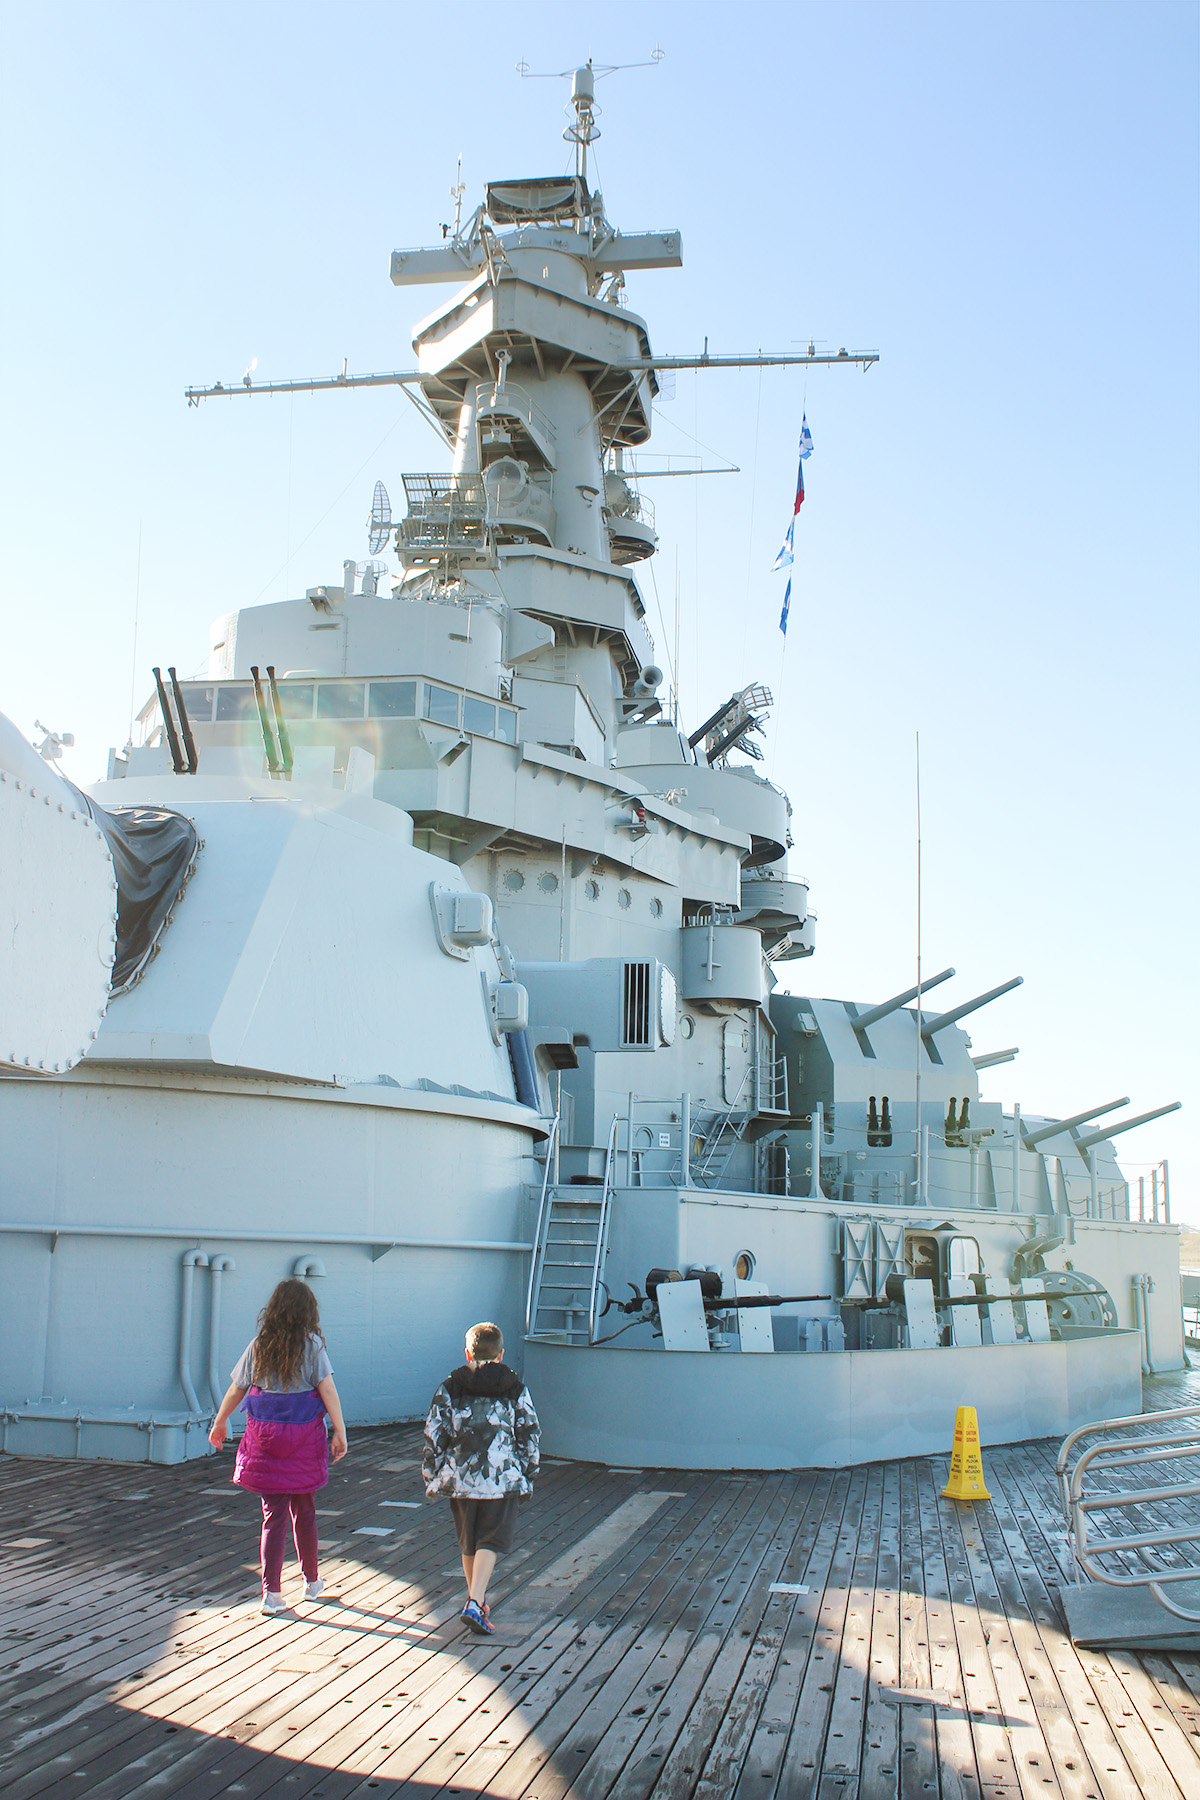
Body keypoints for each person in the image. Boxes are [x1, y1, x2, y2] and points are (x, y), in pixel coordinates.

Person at [209, 1277, 347, 1615]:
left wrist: (220, 1421)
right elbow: (327, 1390)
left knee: (273, 1517)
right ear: (307, 1312)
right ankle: (312, 1582)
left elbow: (237, 1388)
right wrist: (339, 1430)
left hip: (266, 1440)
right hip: (303, 1440)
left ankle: (271, 1593)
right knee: (306, 1510)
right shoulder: (313, 1346)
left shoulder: (260, 1344)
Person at [422, 1321, 540, 1635]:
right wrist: (529, 1471)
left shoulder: (450, 1386)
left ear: (467, 1352)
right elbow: (529, 1432)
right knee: (490, 1539)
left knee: (469, 1542)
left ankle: (477, 1600)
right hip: (501, 1478)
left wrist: (431, 1473)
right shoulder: (515, 1387)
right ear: (501, 1354)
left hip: (460, 1478)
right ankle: (475, 1602)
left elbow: (436, 1434)